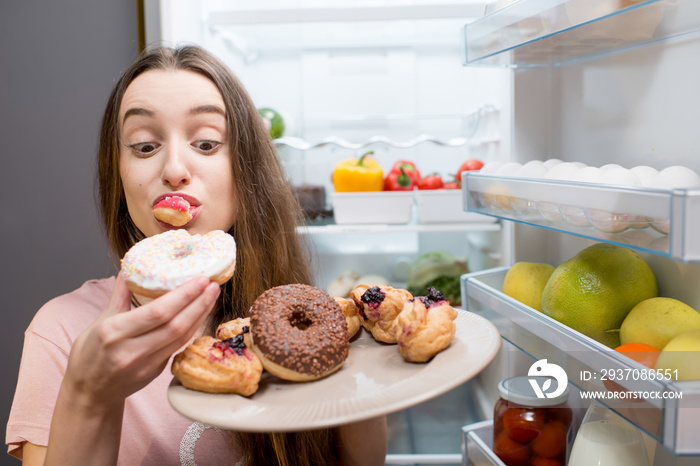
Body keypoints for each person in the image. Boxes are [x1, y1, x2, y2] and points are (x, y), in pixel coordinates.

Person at [6, 45, 387, 465]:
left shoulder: (298, 324)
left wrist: (362, 372)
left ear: (247, 171)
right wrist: (89, 393)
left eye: (206, 143)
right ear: (117, 174)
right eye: (144, 146)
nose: (174, 168)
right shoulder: (62, 333)